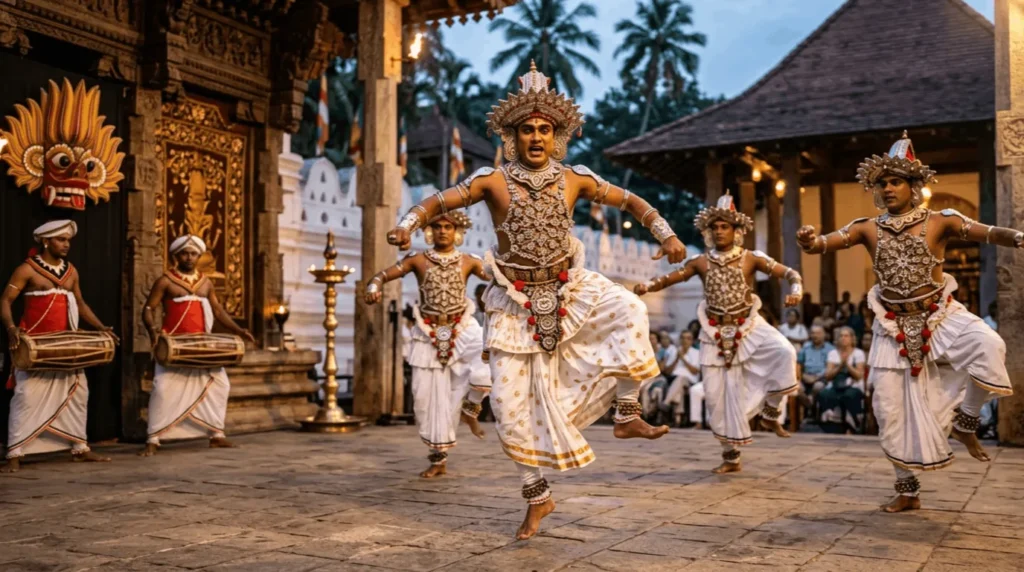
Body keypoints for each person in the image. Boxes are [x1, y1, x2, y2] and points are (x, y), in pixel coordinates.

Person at [385, 62, 684, 539]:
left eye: (546, 129)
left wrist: (666, 234)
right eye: (527, 129)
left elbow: (631, 201)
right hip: (513, 302)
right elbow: (439, 201)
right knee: (508, 408)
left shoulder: (575, 179)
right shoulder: (492, 181)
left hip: (570, 287)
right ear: (512, 135)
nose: (537, 137)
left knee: (629, 308)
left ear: (558, 135)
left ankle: (628, 413)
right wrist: (407, 223)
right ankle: (537, 497)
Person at [797, 131, 1016, 513]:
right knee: (887, 408)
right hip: (891, 326)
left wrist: (1018, 236)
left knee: (989, 344)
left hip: (940, 316)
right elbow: (826, 243)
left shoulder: (941, 221)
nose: (888, 188)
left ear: (914, 186)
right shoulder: (868, 227)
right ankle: (907, 488)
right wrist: (809, 241)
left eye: (895, 181)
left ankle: (966, 420)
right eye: (882, 183)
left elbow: (988, 232)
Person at [635, 192, 802, 474]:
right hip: (712, 332)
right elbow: (672, 277)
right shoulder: (701, 262)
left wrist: (796, 291)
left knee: (785, 352)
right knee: (717, 396)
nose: (720, 231)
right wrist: (648, 286)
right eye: (715, 227)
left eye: (725, 226)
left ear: (737, 231)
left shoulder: (751, 258)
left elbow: (790, 274)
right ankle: (730, 457)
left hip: (750, 326)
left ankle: (772, 411)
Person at [368, 211, 491, 478]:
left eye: (448, 227)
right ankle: (438, 459)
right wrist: (374, 285)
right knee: (426, 400)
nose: (443, 231)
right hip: (427, 332)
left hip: (463, 327)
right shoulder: (418, 260)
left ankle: (471, 407)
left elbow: (497, 279)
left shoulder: (469, 261)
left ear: (457, 231)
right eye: (437, 227)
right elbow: (384, 274)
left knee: (489, 358)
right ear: (429, 232)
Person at [1, 221, 117, 473]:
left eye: (68, 240)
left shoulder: (71, 271)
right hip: (36, 346)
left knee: (78, 393)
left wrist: (100, 328)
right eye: (61, 240)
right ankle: (15, 453)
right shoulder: (27, 270)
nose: (66, 244)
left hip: (66, 345)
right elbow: (5, 301)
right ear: (45, 241)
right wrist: (11, 329)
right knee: (26, 397)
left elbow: (81, 304)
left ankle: (79, 447)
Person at [138, 235, 254, 457]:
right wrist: (152, 330)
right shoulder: (165, 281)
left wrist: (238, 330)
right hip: (174, 344)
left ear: (199, 256)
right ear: (176, 255)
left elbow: (218, 311)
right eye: (184, 253)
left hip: (202, 345)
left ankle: (216, 435)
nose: (189, 257)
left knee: (220, 386)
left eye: (193, 254)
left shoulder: (206, 282)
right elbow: (149, 308)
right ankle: (153, 439)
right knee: (162, 390)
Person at [818, 327, 867, 433]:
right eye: (841, 336)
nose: (843, 338)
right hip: (835, 385)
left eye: (846, 336)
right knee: (824, 394)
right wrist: (840, 365)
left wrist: (847, 365)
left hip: (853, 385)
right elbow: (828, 376)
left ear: (852, 338)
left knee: (849, 396)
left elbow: (859, 376)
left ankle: (852, 425)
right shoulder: (833, 353)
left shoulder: (858, 353)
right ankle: (831, 424)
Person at [664, 330, 701, 427]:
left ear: (692, 341)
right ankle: (678, 419)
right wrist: (676, 358)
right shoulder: (675, 351)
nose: (685, 341)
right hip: (673, 379)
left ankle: (666, 402)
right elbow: (667, 371)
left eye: (688, 338)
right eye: (683, 338)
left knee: (681, 379)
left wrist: (683, 359)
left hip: (690, 381)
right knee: (678, 390)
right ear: (680, 340)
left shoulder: (696, 353)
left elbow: (695, 371)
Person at [797, 325, 835, 418]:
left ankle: (810, 410)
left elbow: (830, 368)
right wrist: (800, 376)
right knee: (796, 388)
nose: (815, 335)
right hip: (805, 377)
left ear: (824, 335)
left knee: (817, 387)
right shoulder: (806, 347)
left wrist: (816, 378)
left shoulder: (830, 349)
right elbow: (798, 364)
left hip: (822, 378)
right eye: (813, 333)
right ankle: (811, 407)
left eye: (818, 333)